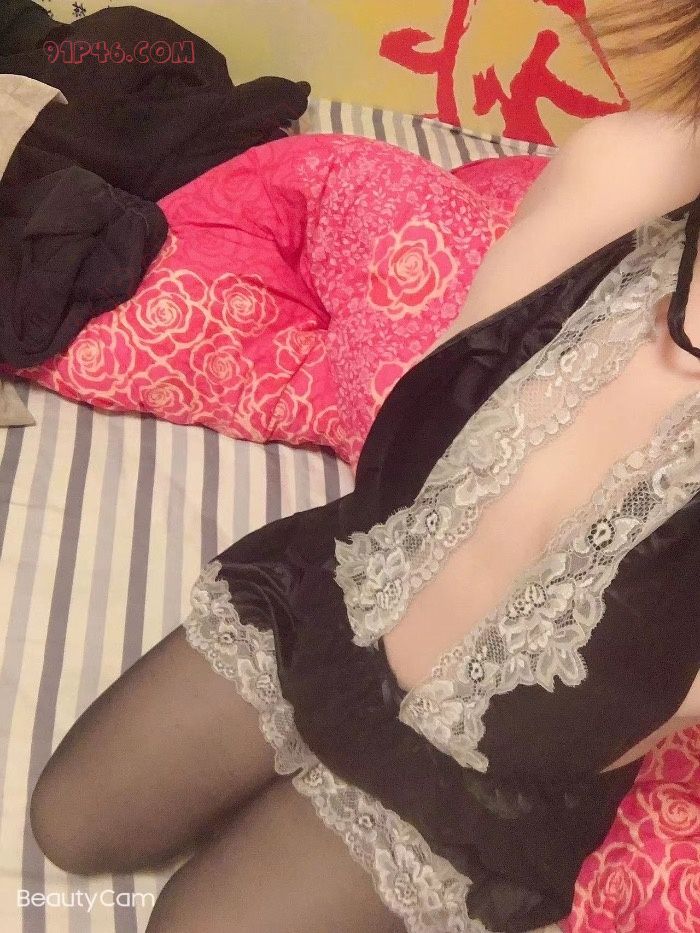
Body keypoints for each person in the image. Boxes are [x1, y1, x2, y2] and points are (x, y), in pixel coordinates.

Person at [28, 3, 700, 932]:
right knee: (69, 822)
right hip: (352, 592)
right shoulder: (634, 168)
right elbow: (440, 414)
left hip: (492, 771)